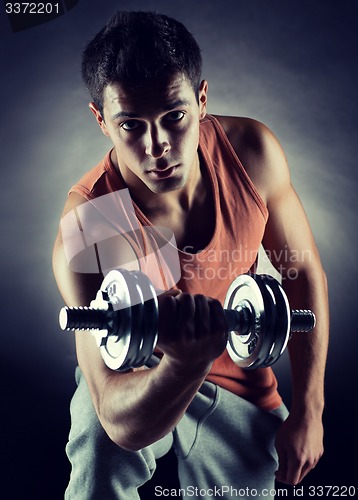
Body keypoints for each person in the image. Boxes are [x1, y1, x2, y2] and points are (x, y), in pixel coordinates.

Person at [52, 10, 329, 499]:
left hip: (239, 385)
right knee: (98, 452)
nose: (157, 146)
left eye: (174, 117)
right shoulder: (94, 219)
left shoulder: (251, 155)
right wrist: (182, 363)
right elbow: (116, 416)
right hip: (141, 380)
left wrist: (310, 410)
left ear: (201, 99)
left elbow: (300, 272)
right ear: (101, 121)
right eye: (131, 125)